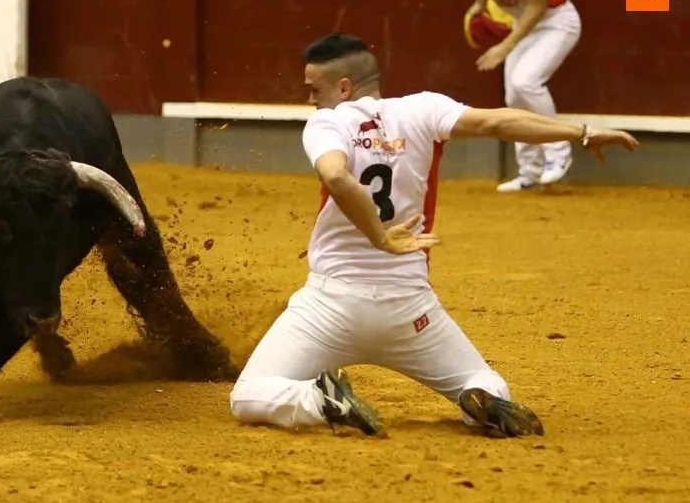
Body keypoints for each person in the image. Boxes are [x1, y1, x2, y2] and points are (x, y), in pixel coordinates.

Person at [228, 33, 639, 438]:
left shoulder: (328, 121)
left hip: (330, 307)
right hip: (411, 312)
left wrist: (380, 236)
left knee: (249, 395)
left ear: (344, 87)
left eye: (314, 89)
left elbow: (335, 175)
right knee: (480, 380)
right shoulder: (425, 108)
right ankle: (480, 398)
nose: (310, 100)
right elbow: (498, 120)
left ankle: (321, 402)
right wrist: (580, 132)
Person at [461, 0, 582, 192]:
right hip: (524, 26)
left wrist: (505, 47)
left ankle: (558, 151)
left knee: (525, 83)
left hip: (557, 22)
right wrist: (479, 4)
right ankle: (530, 172)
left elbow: (538, 6)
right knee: (514, 96)